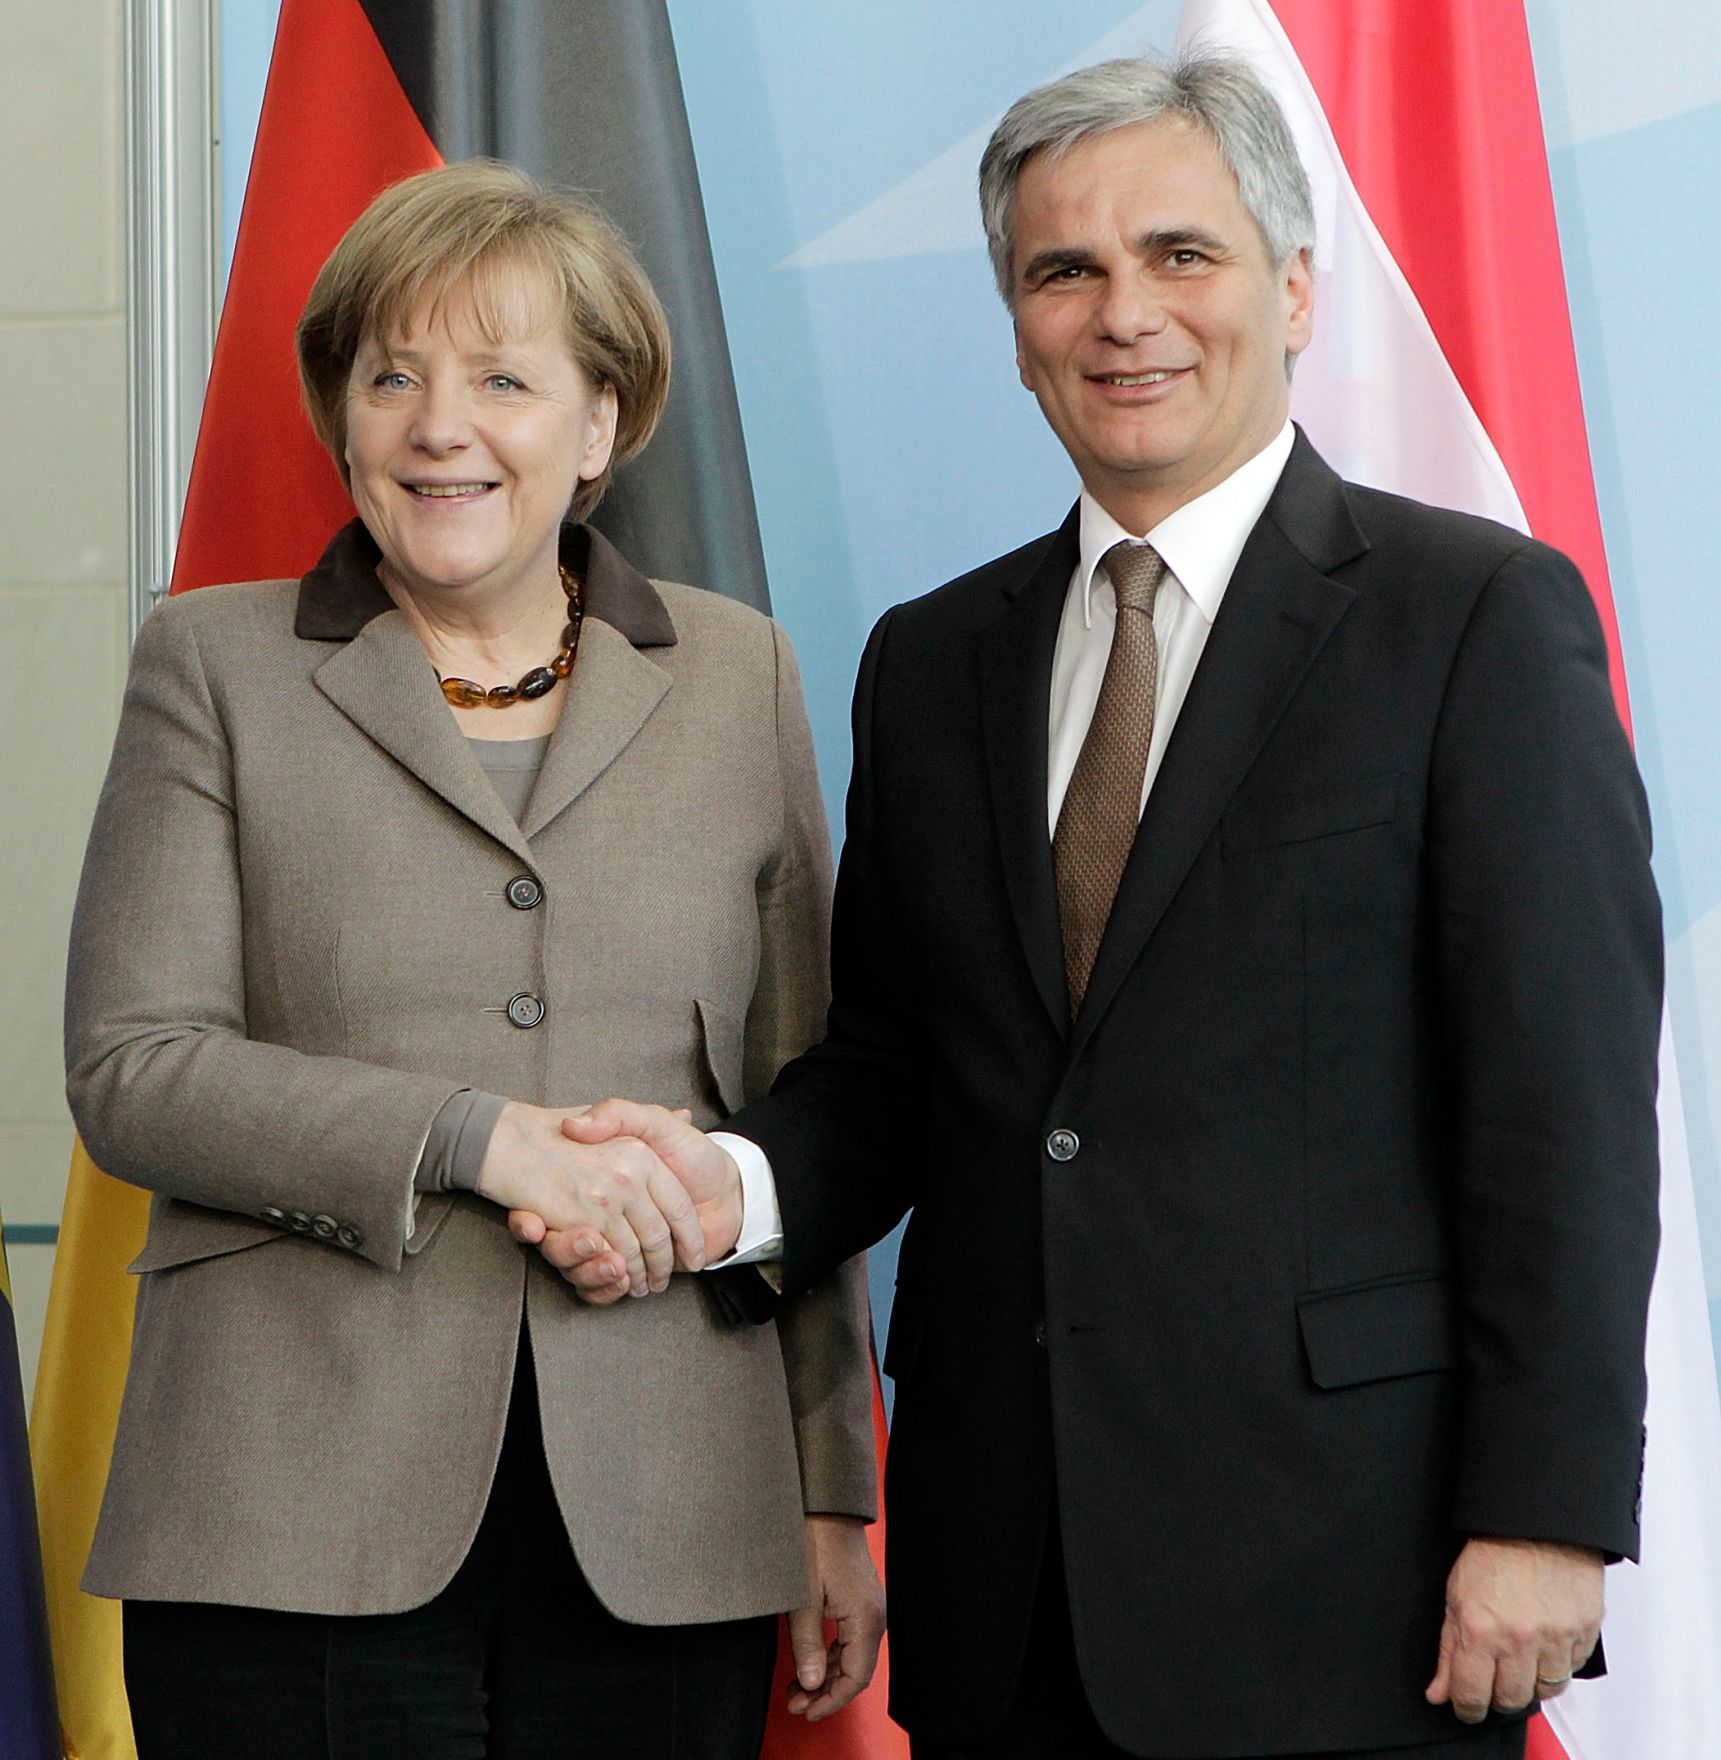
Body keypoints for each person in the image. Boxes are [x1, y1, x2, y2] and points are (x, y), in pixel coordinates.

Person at [522, 53, 1662, 1760]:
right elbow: (900, 1076)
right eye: (1064, 271)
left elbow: (1559, 1110)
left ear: (1288, 289)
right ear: (1014, 321)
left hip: (1353, 1588)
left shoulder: (1471, 619)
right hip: (1011, 1586)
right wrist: (717, 1186)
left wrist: (1548, 1515)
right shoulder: (931, 661)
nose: (1122, 313)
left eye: (1179, 256)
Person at [64, 160, 882, 1760]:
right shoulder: (209, 663)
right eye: (393, 377)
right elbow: (134, 1071)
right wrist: (477, 1138)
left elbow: (803, 1109)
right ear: (343, 419)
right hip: (284, 1505)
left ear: (598, 426)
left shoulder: (738, 674)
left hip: (668, 1514)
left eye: (502, 379)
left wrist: (832, 1492)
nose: (440, 426)